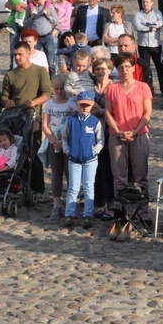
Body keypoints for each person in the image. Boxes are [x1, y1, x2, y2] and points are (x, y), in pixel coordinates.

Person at [104, 52, 154, 226]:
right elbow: (108, 112)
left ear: (133, 67)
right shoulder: (112, 88)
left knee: (140, 177)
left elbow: (147, 113)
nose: (124, 70)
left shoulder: (142, 87)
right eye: (121, 67)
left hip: (138, 135)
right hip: (117, 136)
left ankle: (142, 211)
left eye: (127, 66)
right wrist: (117, 130)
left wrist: (135, 131)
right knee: (119, 177)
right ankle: (122, 213)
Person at [1, 41, 52, 194]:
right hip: (15, 121)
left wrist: (34, 102)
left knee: (33, 154)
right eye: (15, 54)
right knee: (14, 154)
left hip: (33, 119)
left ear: (29, 53)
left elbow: (47, 93)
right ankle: (16, 184)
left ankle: (37, 189)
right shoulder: (10, 74)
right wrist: (6, 101)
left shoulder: (40, 71)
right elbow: (3, 96)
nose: (17, 57)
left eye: (20, 54)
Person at [62, 91, 104, 229]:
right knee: (73, 187)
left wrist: (93, 152)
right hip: (74, 159)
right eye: (82, 105)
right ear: (77, 105)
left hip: (90, 160)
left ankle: (87, 215)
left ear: (92, 105)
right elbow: (65, 137)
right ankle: (69, 214)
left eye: (87, 105)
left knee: (88, 187)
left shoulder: (95, 122)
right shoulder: (71, 120)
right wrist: (68, 151)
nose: (84, 107)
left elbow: (100, 140)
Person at [42, 74, 78, 220]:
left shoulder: (72, 104)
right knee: (56, 174)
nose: (58, 91)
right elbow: (45, 125)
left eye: (61, 88)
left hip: (68, 142)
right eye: (56, 89)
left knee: (70, 174)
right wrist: (53, 140)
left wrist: (64, 141)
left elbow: (75, 123)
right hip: (54, 143)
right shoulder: (49, 104)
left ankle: (71, 204)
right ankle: (56, 204)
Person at [91, 58, 115, 219]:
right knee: (95, 170)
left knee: (108, 170)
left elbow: (114, 111)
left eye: (104, 69)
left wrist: (99, 111)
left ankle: (110, 203)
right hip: (90, 133)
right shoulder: (90, 88)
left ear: (110, 69)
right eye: (98, 68)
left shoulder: (114, 88)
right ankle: (98, 203)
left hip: (108, 131)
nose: (101, 71)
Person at [132, 0, 163, 95]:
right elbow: (137, 26)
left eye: (147, 2)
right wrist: (150, 28)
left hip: (155, 45)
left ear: (151, 3)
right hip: (143, 46)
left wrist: (145, 25)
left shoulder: (157, 13)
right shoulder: (137, 14)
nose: (145, 4)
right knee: (146, 69)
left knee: (160, 68)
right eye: (143, 2)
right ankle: (148, 91)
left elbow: (160, 23)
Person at [26, 0, 60, 74]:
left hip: (48, 36)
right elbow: (24, 23)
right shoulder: (29, 8)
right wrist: (31, 18)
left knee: (50, 61)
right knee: (34, 60)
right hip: (35, 38)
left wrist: (49, 17)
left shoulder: (49, 7)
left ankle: (51, 81)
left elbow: (56, 21)